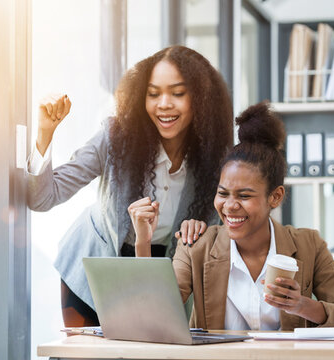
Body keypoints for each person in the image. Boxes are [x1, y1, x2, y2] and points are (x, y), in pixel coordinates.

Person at [27, 46, 233, 327]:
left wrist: (204, 231)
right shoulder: (115, 138)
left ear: (200, 98)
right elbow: (42, 198)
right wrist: (44, 134)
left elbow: (228, 227)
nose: (164, 104)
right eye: (153, 93)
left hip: (166, 272)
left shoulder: (216, 161)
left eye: (177, 93)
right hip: (95, 266)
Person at [172, 101, 334, 331]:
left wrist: (302, 306)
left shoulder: (309, 246)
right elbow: (156, 311)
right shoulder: (196, 245)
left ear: (275, 197)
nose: (230, 206)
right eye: (223, 193)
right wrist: (143, 241)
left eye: (244, 196)